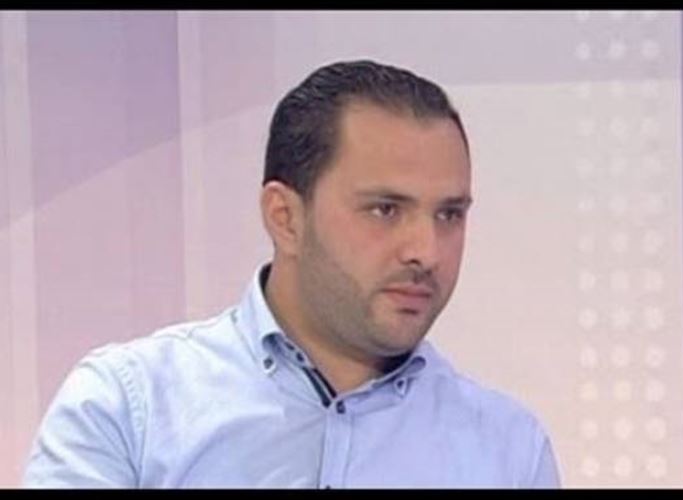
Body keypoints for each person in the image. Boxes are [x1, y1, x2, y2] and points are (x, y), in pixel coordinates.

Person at [23, 59, 561, 488]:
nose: (427, 251)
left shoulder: (509, 452)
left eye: (449, 215)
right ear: (285, 218)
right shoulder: (126, 408)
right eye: (385, 209)